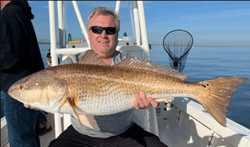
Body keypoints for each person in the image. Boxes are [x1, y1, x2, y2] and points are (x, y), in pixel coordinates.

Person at [47, 7, 167, 147]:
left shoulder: (128, 65)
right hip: (81, 135)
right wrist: (37, 101)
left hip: (124, 133)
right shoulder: (72, 64)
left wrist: (147, 103)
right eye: (97, 29)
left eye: (110, 30)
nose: (103, 35)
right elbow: (53, 94)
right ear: (89, 33)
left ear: (116, 34)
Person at [1, 0, 44, 146]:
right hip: (26, 87)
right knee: (28, 137)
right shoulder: (19, 12)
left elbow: (10, 56)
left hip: (18, 90)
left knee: (21, 140)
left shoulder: (9, 12)